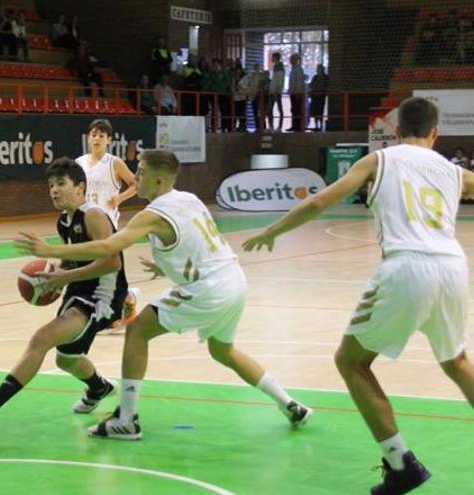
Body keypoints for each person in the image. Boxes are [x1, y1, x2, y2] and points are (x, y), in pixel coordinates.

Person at [242, 97, 474, 494]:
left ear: (396, 132)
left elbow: (321, 200)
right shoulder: (455, 171)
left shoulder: (380, 160)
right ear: (435, 132)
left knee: (351, 361)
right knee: (458, 362)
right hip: (453, 267)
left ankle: (400, 464)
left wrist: (272, 231)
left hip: (407, 266)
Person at [16, 149, 313, 440]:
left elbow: (109, 248)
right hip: (233, 280)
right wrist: (164, 266)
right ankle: (289, 404)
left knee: (138, 330)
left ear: (159, 181)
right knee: (223, 351)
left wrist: (51, 250)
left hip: (206, 288)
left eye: (142, 173)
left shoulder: (152, 215)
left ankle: (127, 419)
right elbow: (198, 243)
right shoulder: (189, 199)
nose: (135, 179)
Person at [0, 158, 128, 432]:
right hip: (79, 290)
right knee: (65, 358)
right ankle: (99, 388)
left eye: (61, 184)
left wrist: (65, 275)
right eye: (51, 185)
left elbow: (113, 263)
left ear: (80, 187)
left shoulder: (94, 215)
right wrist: (53, 276)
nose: (54, 190)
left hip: (103, 296)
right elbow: (72, 260)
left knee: (41, 338)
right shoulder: (64, 221)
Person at [75, 119, 139, 330]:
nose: (96, 139)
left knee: (112, 271)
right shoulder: (80, 163)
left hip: (108, 225)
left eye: (101, 136)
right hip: (85, 224)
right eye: (93, 135)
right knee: (91, 270)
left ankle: (127, 300)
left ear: (108, 140)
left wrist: (119, 199)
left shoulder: (114, 163)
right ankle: (100, 310)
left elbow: (136, 184)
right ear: (88, 137)